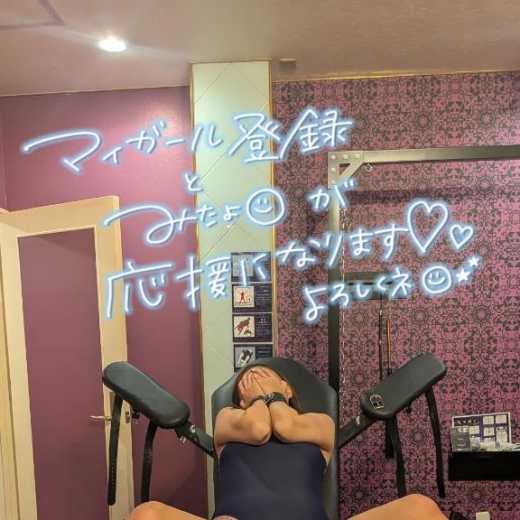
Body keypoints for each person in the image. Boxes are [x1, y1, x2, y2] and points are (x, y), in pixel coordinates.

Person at [130, 366, 447, 520]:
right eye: (247, 384)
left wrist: (269, 396)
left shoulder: (320, 422)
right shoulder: (228, 418)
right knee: (147, 514)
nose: (254, 378)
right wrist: (261, 398)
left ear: (287, 388)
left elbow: (285, 424)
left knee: (420, 508)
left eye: (264, 375)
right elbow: (258, 429)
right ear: (241, 400)